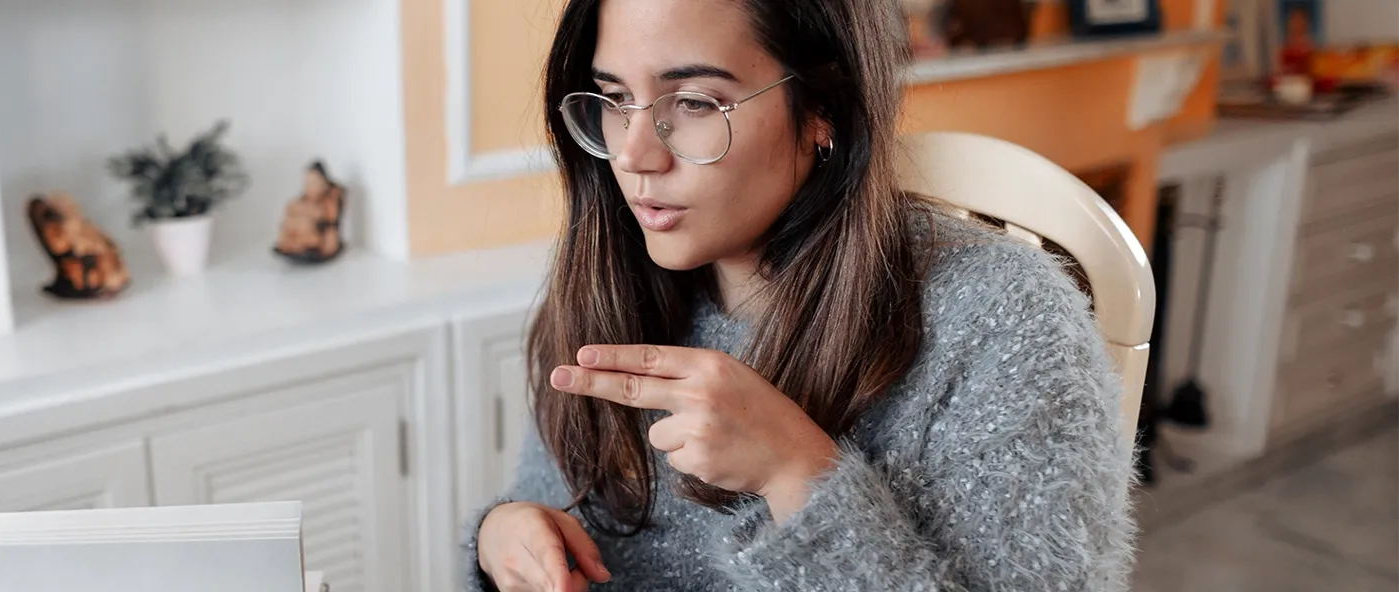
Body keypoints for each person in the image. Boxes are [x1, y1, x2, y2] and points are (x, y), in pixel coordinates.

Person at [460, 0, 1137, 590]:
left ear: (822, 110)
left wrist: (798, 475)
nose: (634, 155)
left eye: (694, 102)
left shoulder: (1003, 322)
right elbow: (547, 511)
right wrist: (505, 536)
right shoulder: (605, 280)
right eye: (613, 98)